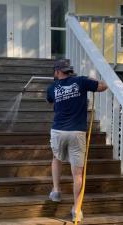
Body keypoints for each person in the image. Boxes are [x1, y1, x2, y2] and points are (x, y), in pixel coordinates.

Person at [46, 59, 107, 222]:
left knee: (56, 158)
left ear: (58, 72)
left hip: (58, 130)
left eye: (55, 72)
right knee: (77, 173)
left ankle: (56, 191)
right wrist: (91, 81)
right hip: (77, 132)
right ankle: (76, 209)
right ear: (69, 70)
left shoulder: (52, 88)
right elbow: (103, 86)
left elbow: (50, 101)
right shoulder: (81, 81)